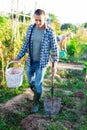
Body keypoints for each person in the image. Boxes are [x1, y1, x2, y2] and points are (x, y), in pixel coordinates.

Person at [14, 9, 58, 113]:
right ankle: (38, 93)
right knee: (30, 82)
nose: (37, 23)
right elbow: (25, 44)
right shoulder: (30, 28)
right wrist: (18, 57)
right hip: (30, 61)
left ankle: (36, 103)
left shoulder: (50, 32)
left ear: (44, 19)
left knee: (38, 83)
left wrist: (54, 65)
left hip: (41, 63)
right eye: (36, 20)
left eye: (40, 20)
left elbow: (55, 49)